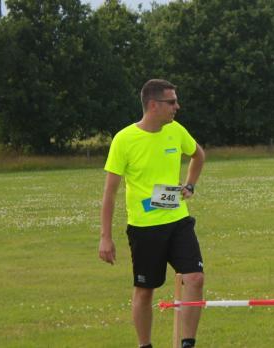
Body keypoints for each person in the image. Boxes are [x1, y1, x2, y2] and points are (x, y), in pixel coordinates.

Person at [99, 79, 206, 348]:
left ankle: (188, 344)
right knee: (146, 291)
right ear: (153, 105)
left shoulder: (176, 131)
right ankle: (144, 345)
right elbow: (110, 192)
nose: (177, 107)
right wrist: (105, 237)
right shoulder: (124, 140)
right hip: (144, 228)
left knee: (195, 277)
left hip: (178, 220)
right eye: (172, 102)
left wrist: (190, 185)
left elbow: (198, 155)